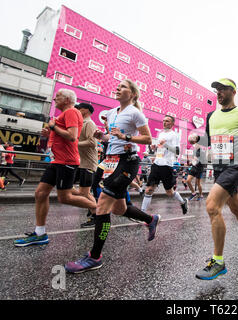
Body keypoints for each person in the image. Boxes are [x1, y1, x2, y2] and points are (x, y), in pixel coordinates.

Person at [64, 80, 160, 273]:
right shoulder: (111, 112)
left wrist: (127, 138)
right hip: (110, 160)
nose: (118, 88)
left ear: (133, 94)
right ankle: (150, 219)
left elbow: (148, 139)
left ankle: (95, 256)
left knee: (103, 204)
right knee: (119, 208)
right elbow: (112, 137)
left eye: (123, 87)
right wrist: (103, 136)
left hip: (127, 161)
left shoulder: (135, 112)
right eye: (117, 86)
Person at [195, 78, 238, 280]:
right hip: (218, 166)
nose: (218, 92)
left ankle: (218, 261)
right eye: (216, 89)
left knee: (212, 206)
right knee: (236, 209)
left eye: (223, 89)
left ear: (233, 92)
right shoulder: (211, 116)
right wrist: (197, 139)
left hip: (236, 166)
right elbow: (209, 139)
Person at [14, 89, 97, 247]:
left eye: (57, 97)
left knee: (64, 197)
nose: (54, 98)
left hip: (67, 161)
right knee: (40, 193)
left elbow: (72, 136)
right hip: (57, 160)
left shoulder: (72, 112)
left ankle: (100, 208)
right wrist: (51, 132)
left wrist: (53, 128)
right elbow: (65, 134)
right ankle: (40, 233)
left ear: (66, 99)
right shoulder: (64, 114)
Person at [141, 115, 189, 214]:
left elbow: (177, 151)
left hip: (167, 166)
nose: (164, 122)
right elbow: (160, 148)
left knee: (169, 192)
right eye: (163, 121)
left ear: (172, 123)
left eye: (167, 121)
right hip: (157, 164)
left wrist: (165, 144)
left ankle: (183, 202)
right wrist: (154, 148)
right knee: (149, 189)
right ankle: (142, 213)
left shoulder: (174, 135)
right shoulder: (161, 134)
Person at [72, 103, 98, 218]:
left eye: (79, 109)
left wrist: (74, 144)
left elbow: (92, 142)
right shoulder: (80, 123)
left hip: (88, 163)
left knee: (85, 193)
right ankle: (93, 208)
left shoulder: (89, 123)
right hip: (79, 162)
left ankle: (97, 214)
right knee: (67, 187)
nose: (77, 110)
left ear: (86, 110)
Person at [187, 133, 205, 201]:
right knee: (188, 180)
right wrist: (191, 161)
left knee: (198, 183)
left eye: (192, 142)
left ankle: (201, 195)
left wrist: (195, 160)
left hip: (199, 167)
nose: (192, 144)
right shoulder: (195, 148)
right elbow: (194, 158)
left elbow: (200, 159)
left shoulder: (201, 148)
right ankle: (193, 193)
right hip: (194, 167)